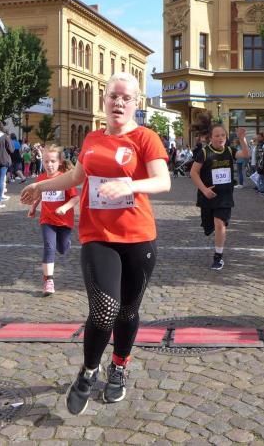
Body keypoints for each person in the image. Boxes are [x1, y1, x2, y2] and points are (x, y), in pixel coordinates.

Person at [20, 72, 170, 415]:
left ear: (136, 103)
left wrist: (130, 186)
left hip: (138, 237)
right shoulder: (92, 138)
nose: (119, 102)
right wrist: (41, 187)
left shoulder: (146, 137)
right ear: (104, 100)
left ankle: (118, 365)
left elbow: (162, 181)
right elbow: (76, 176)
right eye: (113, 96)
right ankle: (89, 370)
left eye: (126, 98)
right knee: (104, 309)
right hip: (98, 236)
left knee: (128, 310)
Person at [189, 116, 249, 270]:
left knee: (220, 224)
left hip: (224, 197)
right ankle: (209, 228)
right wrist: (204, 189)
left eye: (223, 135)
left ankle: (218, 257)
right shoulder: (204, 152)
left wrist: (242, 138)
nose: (221, 138)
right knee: (208, 227)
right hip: (207, 196)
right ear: (210, 138)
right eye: (217, 136)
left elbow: (245, 154)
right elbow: (194, 172)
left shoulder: (229, 150)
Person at [27, 145, 80, 296]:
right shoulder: (41, 179)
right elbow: (38, 195)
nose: (49, 165)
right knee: (49, 247)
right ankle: (48, 281)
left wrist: (65, 207)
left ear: (60, 162)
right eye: (46, 161)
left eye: (52, 161)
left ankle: (65, 243)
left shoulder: (65, 179)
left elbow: (75, 198)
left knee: (62, 248)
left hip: (64, 221)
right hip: (47, 219)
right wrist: (33, 207)